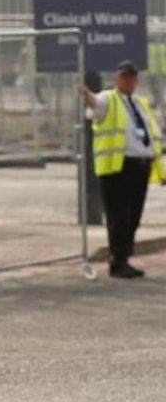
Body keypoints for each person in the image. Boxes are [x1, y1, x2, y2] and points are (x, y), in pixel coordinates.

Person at [79, 61, 161, 279]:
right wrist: (86, 95)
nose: (129, 81)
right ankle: (118, 261)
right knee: (119, 216)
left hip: (140, 165)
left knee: (133, 216)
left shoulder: (141, 103)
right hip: (118, 166)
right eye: (125, 77)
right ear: (116, 79)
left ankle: (124, 258)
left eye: (132, 77)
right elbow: (95, 104)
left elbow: (153, 135)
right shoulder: (108, 98)